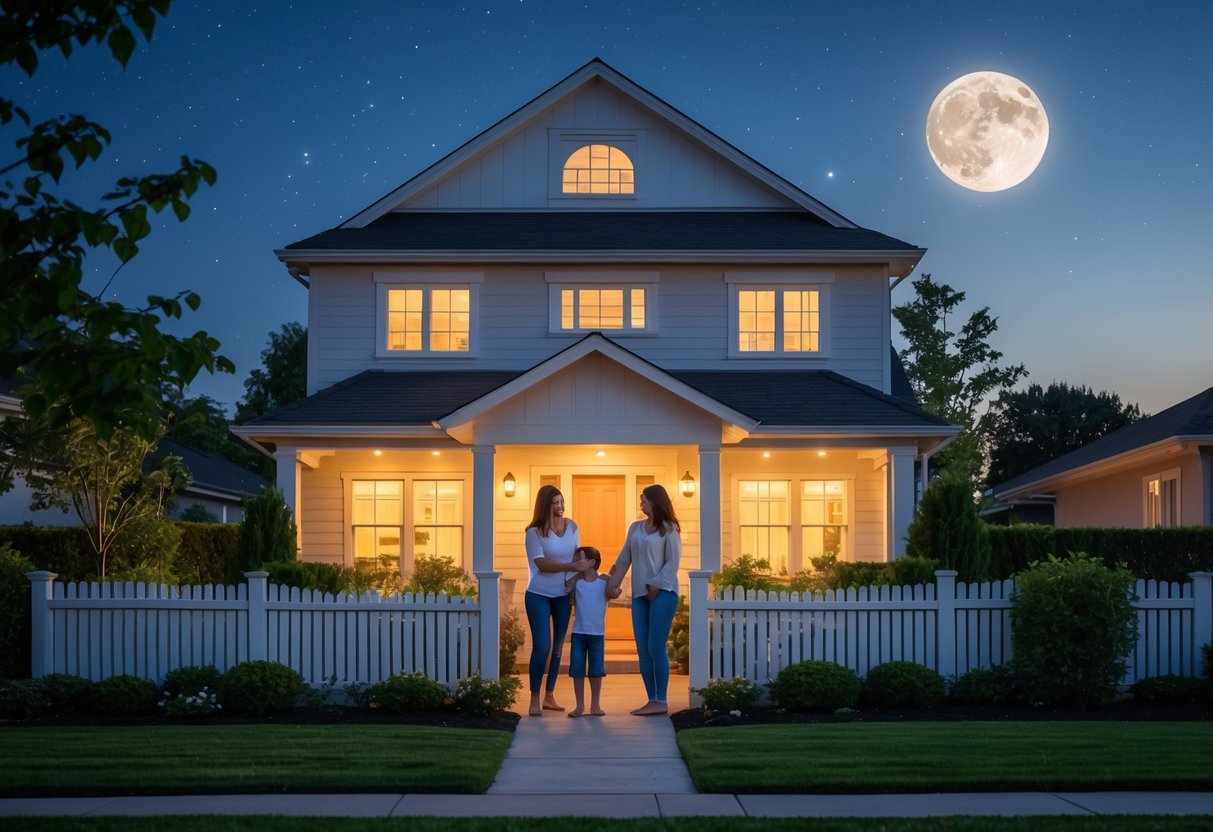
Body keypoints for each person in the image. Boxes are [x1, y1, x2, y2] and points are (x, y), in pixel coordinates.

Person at [607, 483, 682, 716]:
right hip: (640, 595)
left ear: (655, 501)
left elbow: (673, 561)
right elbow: (623, 560)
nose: (641, 504)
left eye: (643, 500)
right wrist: (612, 585)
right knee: (642, 649)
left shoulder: (669, 528)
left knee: (656, 646)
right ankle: (652, 700)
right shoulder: (635, 528)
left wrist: (657, 584)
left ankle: (662, 700)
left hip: (664, 592)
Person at [523, 484, 592, 716]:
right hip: (538, 595)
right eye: (555, 502)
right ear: (545, 505)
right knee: (542, 646)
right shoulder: (533, 532)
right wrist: (571, 566)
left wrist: (573, 582)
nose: (561, 506)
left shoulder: (573, 526)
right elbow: (540, 564)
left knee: (558, 648)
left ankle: (549, 696)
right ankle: (534, 696)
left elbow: (577, 557)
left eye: (562, 501)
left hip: (563, 596)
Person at [564, 545, 610, 717]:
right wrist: (576, 574)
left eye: (579, 559)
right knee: (577, 669)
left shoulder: (604, 582)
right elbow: (566, 586)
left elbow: (616, 590)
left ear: (592, 562)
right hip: (579, 633)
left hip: (597, 634)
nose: (576, 562)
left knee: (596, 670)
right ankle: (579, 706)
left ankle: (595, 705)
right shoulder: (577, 582)